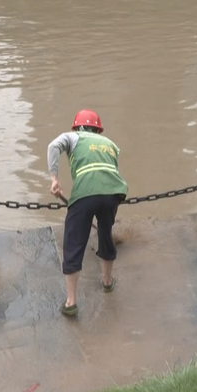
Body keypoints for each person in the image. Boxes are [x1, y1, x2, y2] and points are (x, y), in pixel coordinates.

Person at [48, 109, 128, 317]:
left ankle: (71, 302)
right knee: (105, 236)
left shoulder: (73, 137)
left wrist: (54, 179)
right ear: (97, 129)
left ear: (78, 126)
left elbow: (53, 146)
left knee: (74, 242)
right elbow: (111, 171)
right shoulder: (110, 144)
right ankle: (107, 282)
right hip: (113, 193)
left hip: (85, 194)